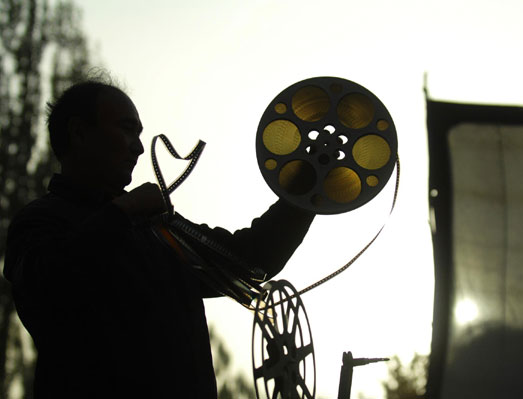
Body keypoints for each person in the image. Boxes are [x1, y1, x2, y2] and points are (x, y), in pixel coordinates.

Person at [3, 80, 315, 398]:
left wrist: (309, 186)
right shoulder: (40, 221)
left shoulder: (155, 229)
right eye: (126, 129)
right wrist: (122, 212)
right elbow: (47, 285)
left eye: (139, 134)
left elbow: (247, 261)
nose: (138, 147)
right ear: (80, 133)